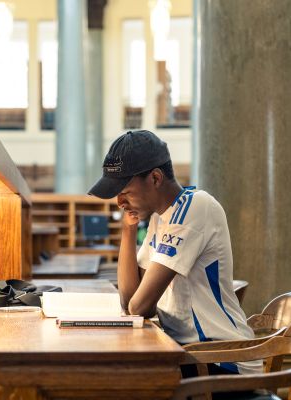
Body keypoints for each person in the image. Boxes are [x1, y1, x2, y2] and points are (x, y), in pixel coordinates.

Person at [88, 130, 260, 376]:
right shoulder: (161, 218)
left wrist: (137, 304)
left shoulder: (195, 207)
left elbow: (140, 307)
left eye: (124, 190)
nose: (119, 201)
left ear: (155, 178)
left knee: (112, 379)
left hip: (220, 360)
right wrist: (128, 229)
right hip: (188, 354)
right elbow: (129, 300)